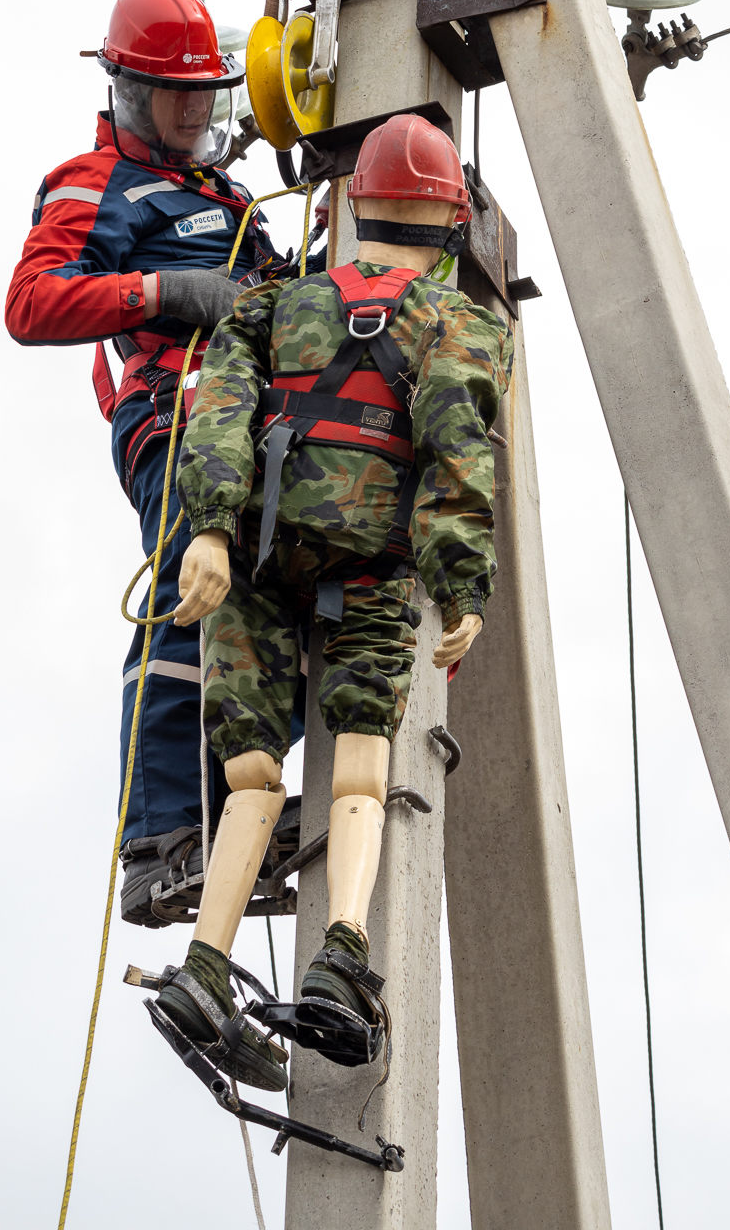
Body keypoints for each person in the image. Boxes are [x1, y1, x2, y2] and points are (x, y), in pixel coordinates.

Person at [148, 112, 513, 1090]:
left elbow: (216, 410)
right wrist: (461, 582)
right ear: (449, 225)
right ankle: (340, 957)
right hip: (372, 568)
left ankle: (204, 967)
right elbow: (458, 456)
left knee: (255, 772)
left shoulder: (273, 304)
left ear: (353, 205)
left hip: (257, 559)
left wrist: (212, 530)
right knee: (359, 769)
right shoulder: (462, 323)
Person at [5, 0, 304, 927]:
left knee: (284, 599)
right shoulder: (98, 185)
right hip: (174, 419)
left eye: (204, 97)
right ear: (130, 93)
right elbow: (32, 303)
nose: (192, 114)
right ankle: (159, 837)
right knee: (192, 594)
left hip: (258, 427)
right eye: (174, 96)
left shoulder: (230, 198)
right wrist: (162, 294)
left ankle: (227, 817)